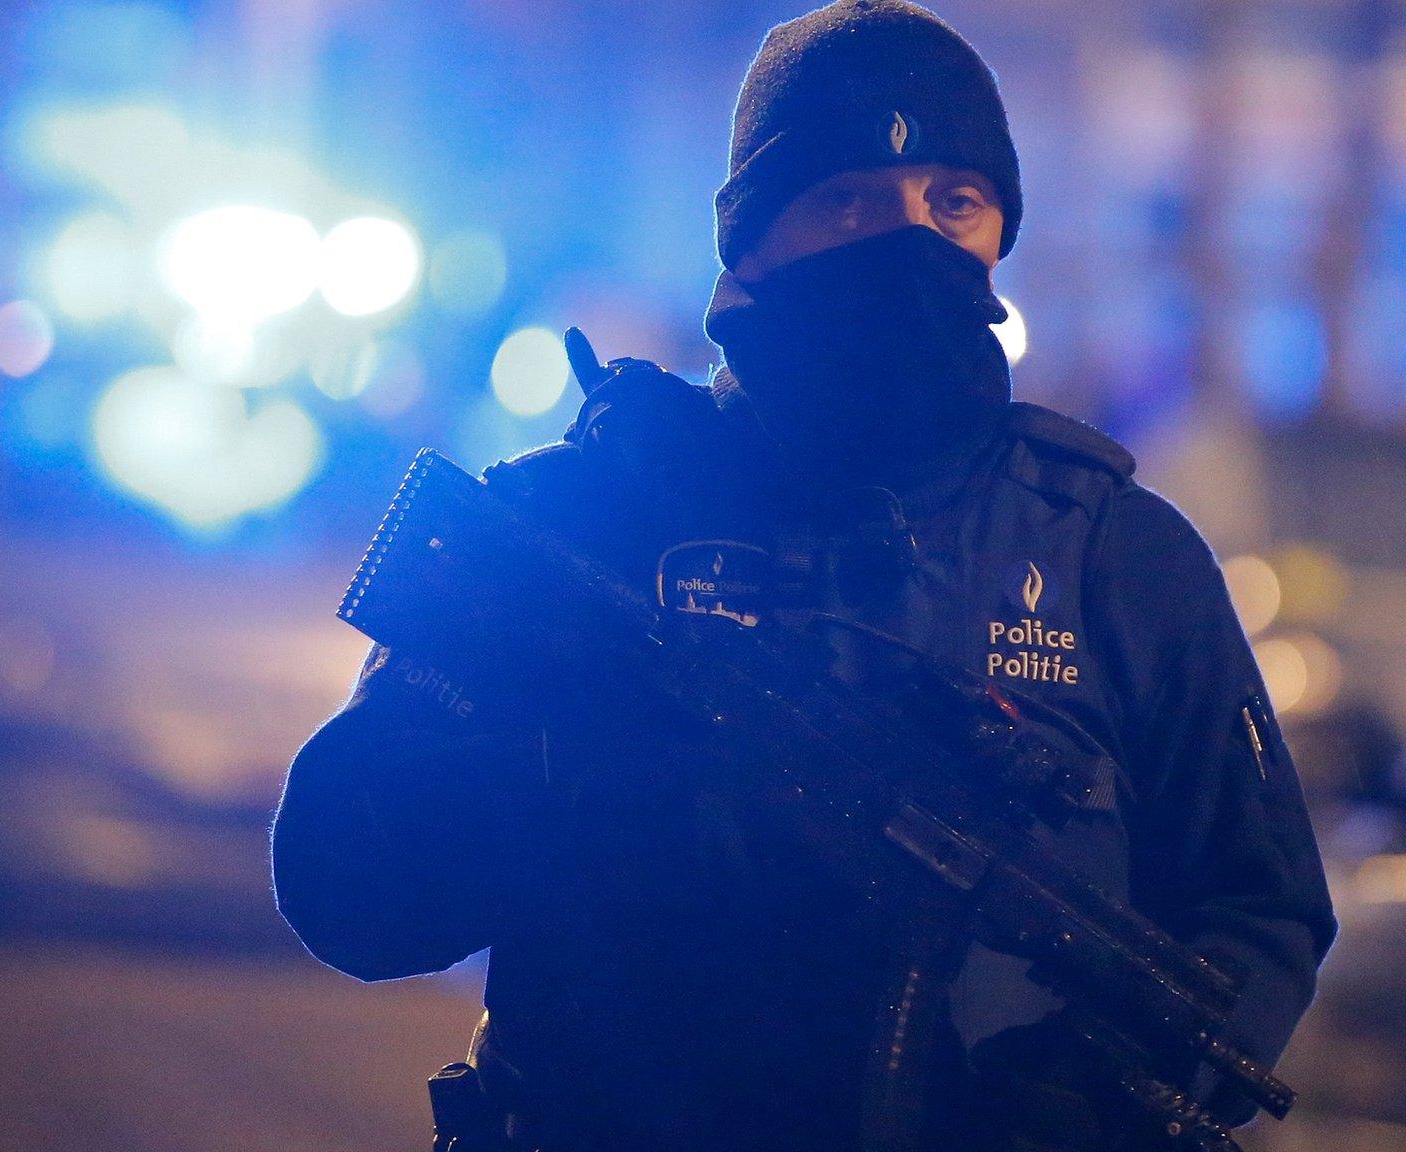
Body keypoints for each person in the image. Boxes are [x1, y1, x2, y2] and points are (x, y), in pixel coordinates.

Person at [271, 2, 1337, 1149]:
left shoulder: (1112, 552)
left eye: (954, 202)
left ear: (995, 240)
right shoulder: (585, 514)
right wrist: (555, 749)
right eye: (849, 201)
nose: (910, 237)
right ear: (754, 239)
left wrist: (1094, 1098)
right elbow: (354, 897)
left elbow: (1255, 911)